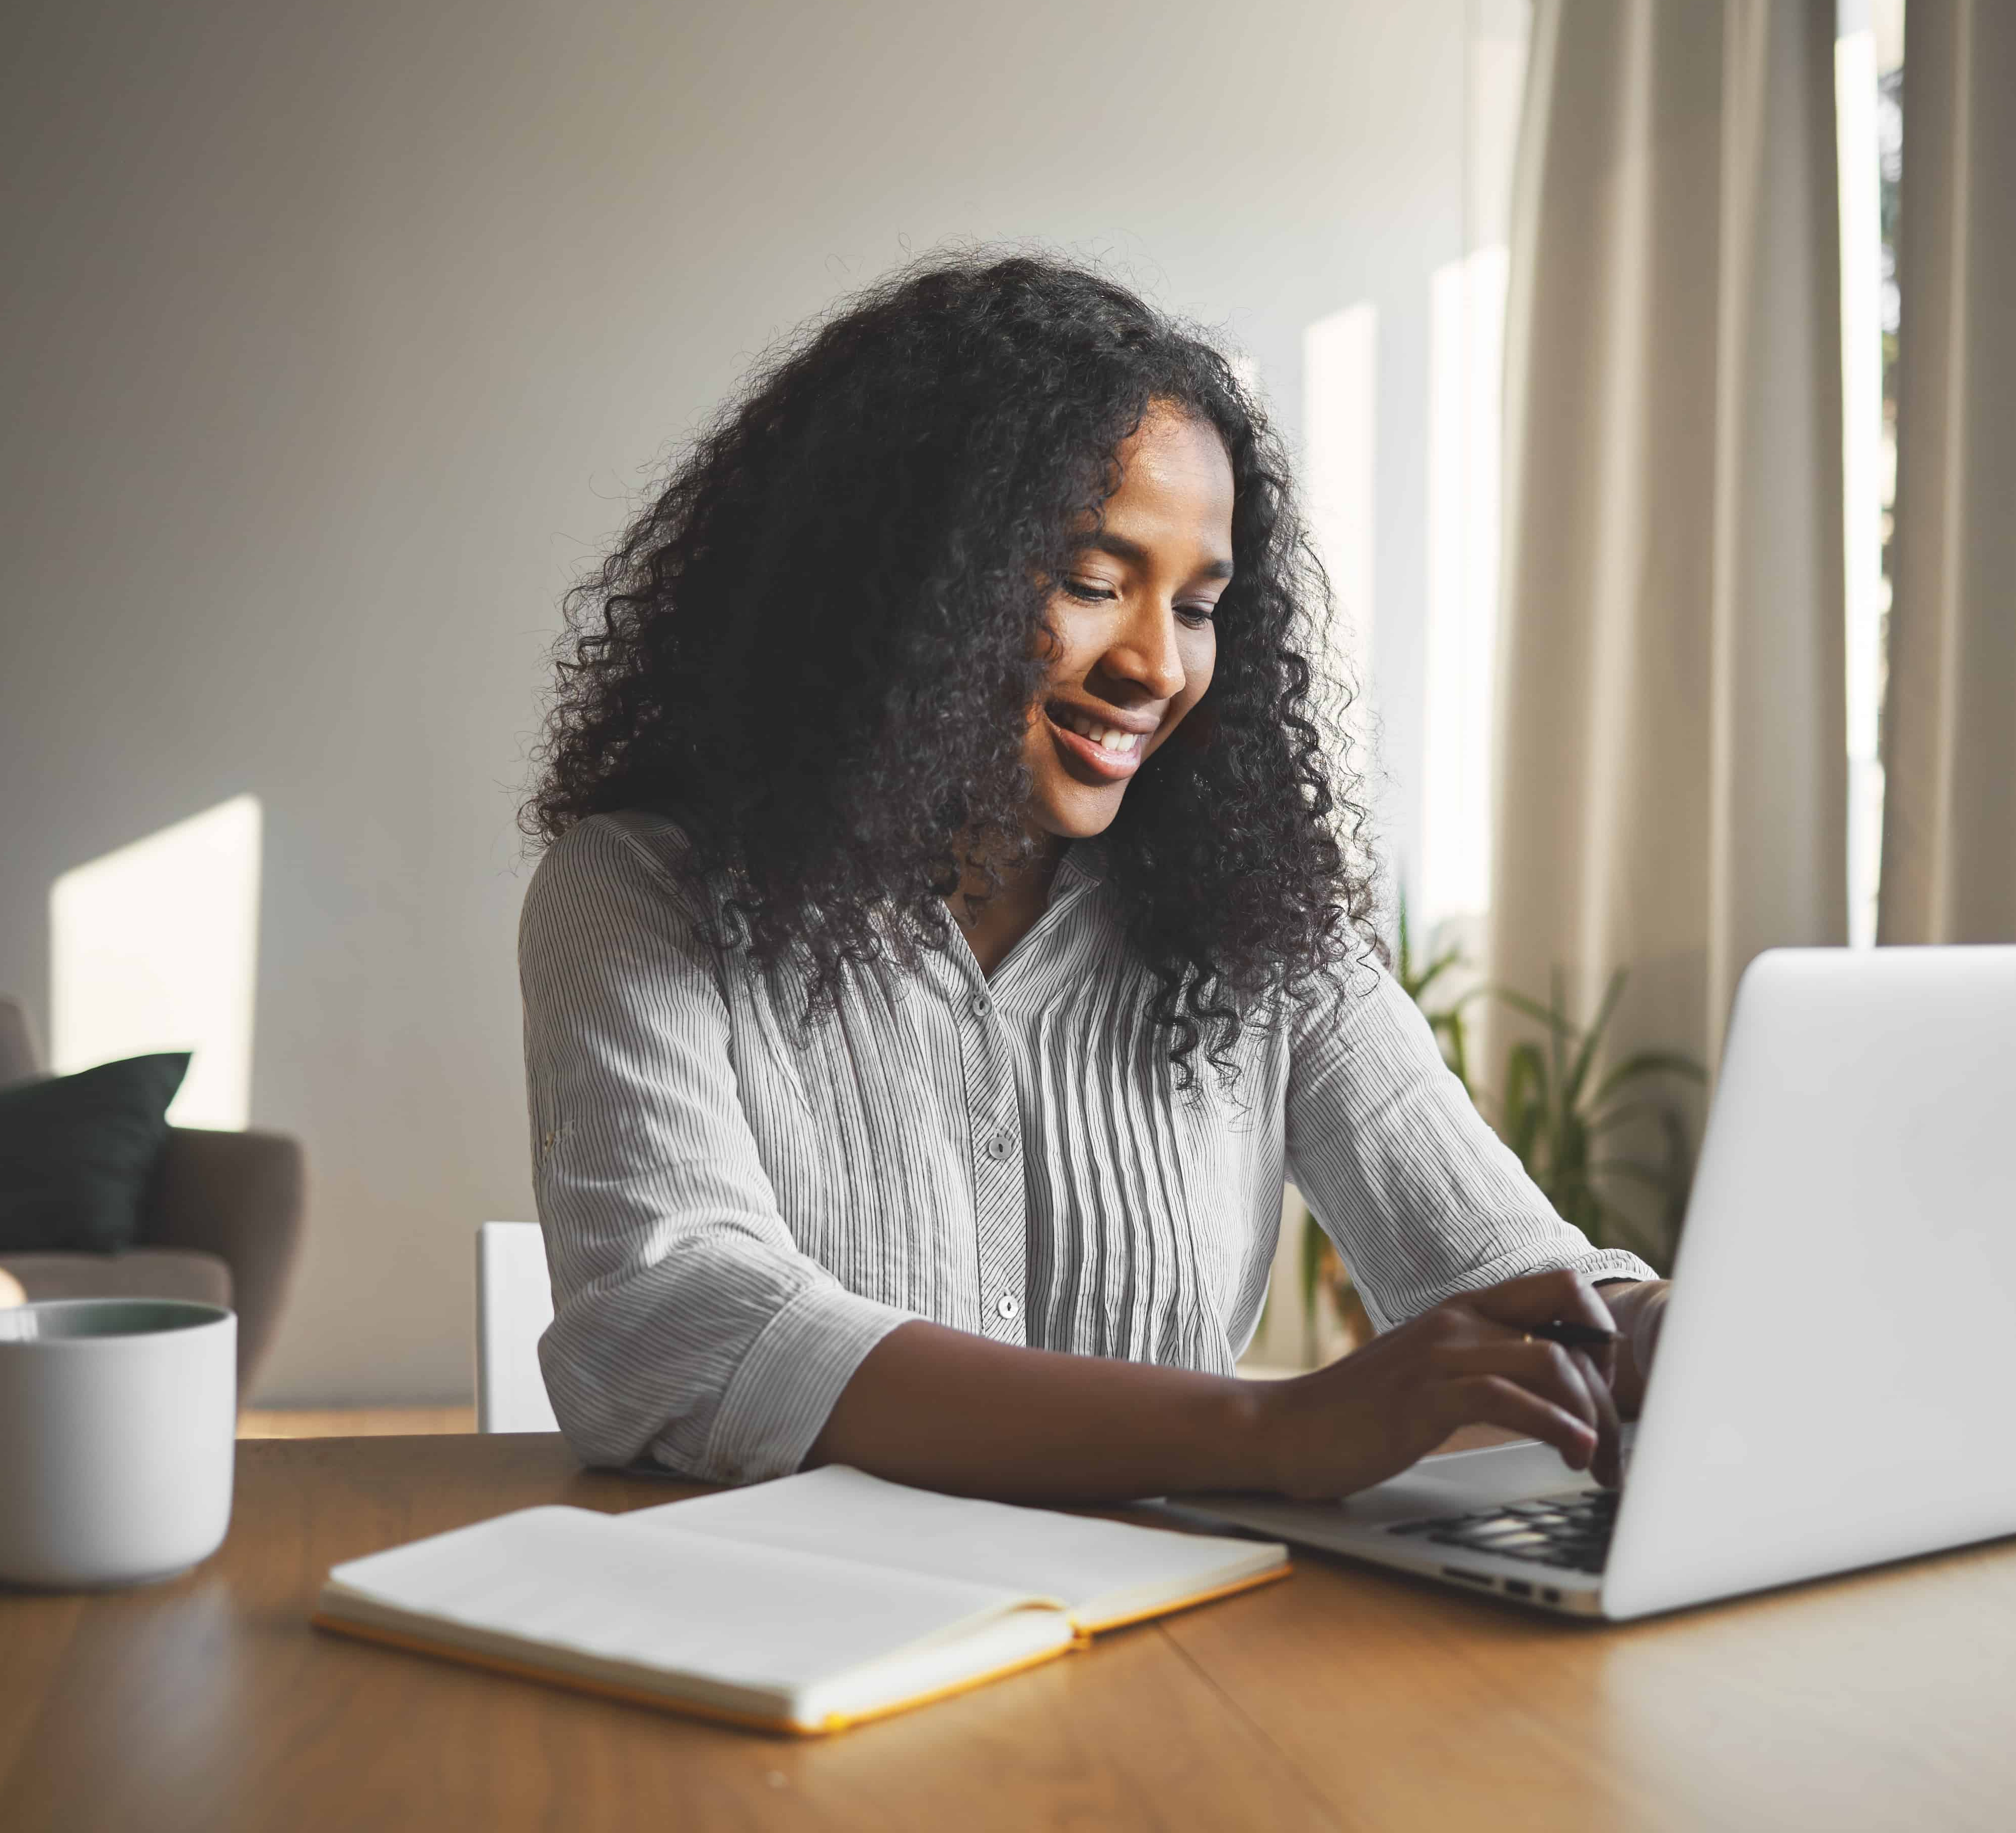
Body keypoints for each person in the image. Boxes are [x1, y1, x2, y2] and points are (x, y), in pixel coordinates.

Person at [519, 253, 1669, 1503]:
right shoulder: (641, 892)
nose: (1157, 666)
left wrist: (1670, 1336)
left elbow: (1507, 1274)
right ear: (901, 578)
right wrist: (1263, 1432)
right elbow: (682, 1326)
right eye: (1092, 583)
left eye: (1198, 606)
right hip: (808, 1649)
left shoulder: (1264, 935)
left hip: (1174, 1657)